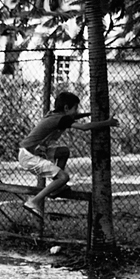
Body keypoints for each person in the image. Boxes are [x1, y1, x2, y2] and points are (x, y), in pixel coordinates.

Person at [19, 91, 119, 219]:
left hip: (30, 152)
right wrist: (107, 123)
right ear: (66, 108)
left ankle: (56, 187)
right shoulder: (61, 119)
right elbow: (84, 127)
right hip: (29, 156)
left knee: (64, 151)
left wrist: (91, 114)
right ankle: (34, 201)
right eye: (75, 108)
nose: (77, 111)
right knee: (64, 177)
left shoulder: (54, 115)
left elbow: (74, 117)